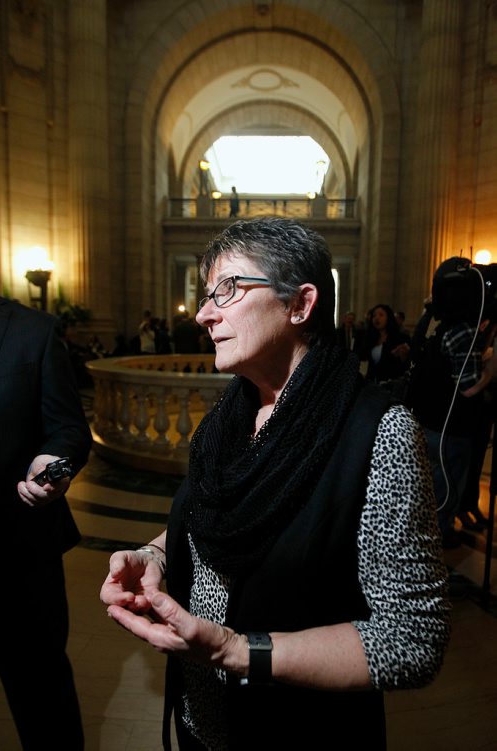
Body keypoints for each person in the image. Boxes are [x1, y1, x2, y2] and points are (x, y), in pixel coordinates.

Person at [100, 217, 450, 750]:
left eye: (228, 289)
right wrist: (156, 556)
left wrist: (235, 651)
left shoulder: (378, 431)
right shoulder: (230, 414)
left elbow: (412, 637)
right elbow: (209, 518)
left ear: (300, 304)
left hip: (296, 731)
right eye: (205, 294)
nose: (202, 313)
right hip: (202, 723)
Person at [0, 295, 92, 749]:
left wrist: (55, 460)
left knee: (45, 709)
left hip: (20, 559)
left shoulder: (33, 331)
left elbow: (69, 427)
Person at [408, 257, 497, 547]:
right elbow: (468, 388)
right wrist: (491, 370)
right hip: (452, 431)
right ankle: (438, 544)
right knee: (444, 493)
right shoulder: (463, 332)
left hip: (429, 426)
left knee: (430, 490)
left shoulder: (441, 329)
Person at [361, 303, 411, 383]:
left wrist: (404, 356)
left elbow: (404, 365)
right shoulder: (371, 339)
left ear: (388, 318)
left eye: (381, 315)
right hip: (372, 385)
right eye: (374, 316)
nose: (376, 318)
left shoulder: (399, 338)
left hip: (390, 385)